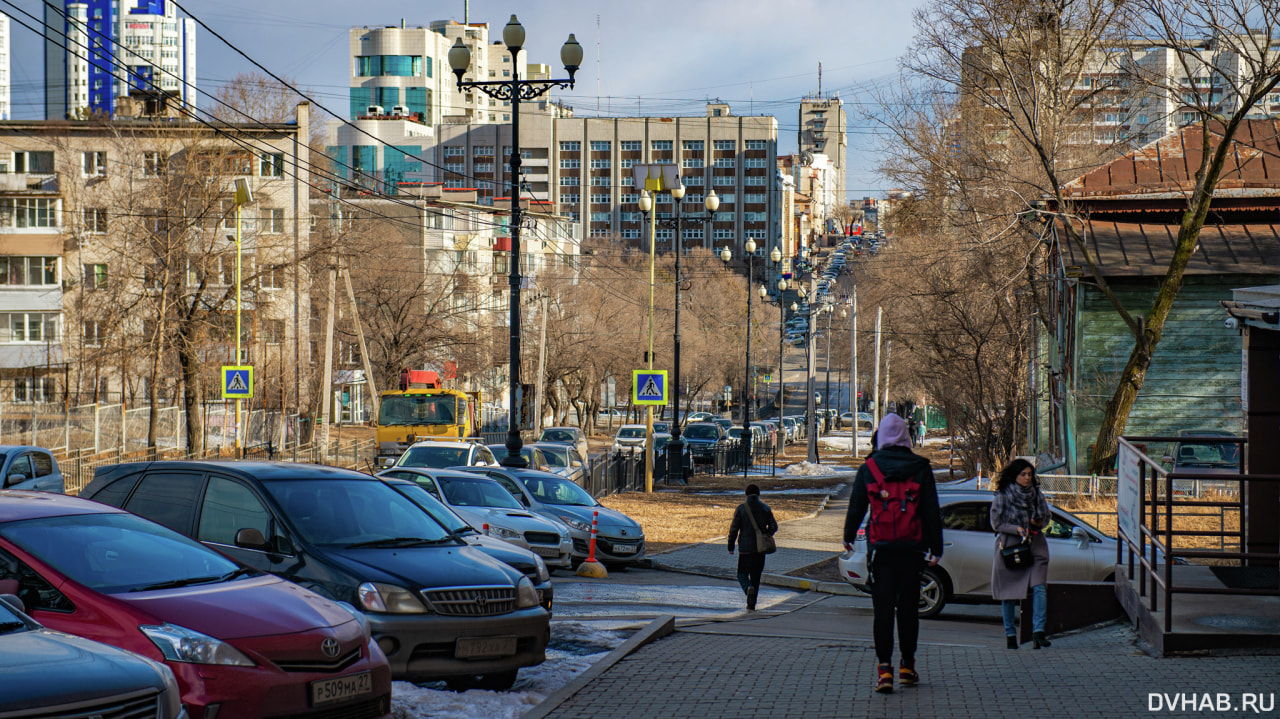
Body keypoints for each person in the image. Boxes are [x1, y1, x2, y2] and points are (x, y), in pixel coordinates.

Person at [844, 414, 943, 694]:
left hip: (882, 550)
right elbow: (931, 512)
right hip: (912, 550)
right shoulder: (921, 467)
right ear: (906, 437)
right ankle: (907, 667)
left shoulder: (870, 468)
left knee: (883, 611)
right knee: (909, 610)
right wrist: (936, 548)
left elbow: (856, 507)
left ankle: (884, 670)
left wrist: (849, 537)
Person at [990, 458, 1052, 650]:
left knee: (1039, 587)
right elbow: (996, 523)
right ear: (1014, 476)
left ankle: (1038, 632)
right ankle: (1010, 634)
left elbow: (1047, 517)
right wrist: (1016, 528)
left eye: (1029, 474)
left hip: (1035, 545)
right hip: (1011, 547)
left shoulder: (1036, 494)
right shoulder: (1003, 494)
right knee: (1009, 592)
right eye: (1023, 474)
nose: (1027, 478)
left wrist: (1037, 523)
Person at [727, 484, 778, 611]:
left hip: (745, 549)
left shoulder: (741, 509)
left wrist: (731, 545)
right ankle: (751, 604)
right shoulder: (765, 508)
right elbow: (774, 526)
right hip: (760, 549)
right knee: (756, 576)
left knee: (741, 573)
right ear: (758, 495)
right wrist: (765, 535)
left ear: (746, 495)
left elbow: (734, 529)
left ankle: (747, 588)